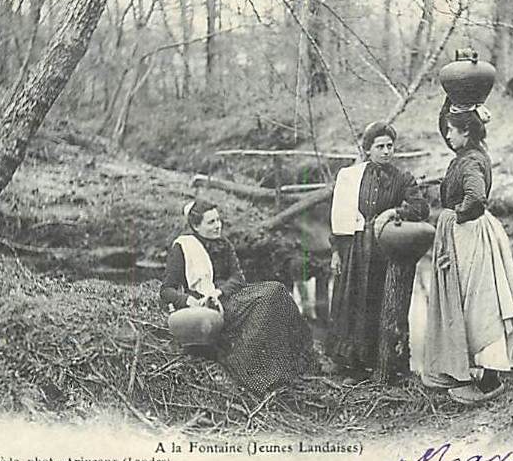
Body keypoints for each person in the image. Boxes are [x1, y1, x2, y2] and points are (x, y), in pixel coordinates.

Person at [422, 99, 513, 404]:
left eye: (451, 131)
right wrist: (449, 100)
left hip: (471, 235)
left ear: (465, 132)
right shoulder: (472, 151)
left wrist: (457, 215)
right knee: (473, 301)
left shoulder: (469, 162)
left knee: (480, 304)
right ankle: (470, 369)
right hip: (471, 232)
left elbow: (476, 197)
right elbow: (447, 127)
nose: (447, 136)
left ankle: (490, 380)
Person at [160, 199, 314, 395]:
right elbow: (166, 290)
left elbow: (237, 278)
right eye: (211, 222)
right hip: (204, 304)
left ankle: (284, 367)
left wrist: (218, 291)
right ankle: (246, 368)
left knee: (276, 291)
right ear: (196, 226)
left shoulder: (224, 244)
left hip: (225, 295)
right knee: (266, 301)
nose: (218, 226)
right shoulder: (183, 247)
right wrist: (187, 301)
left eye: (218, 220)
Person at [327, 121, 429, 377]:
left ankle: (377, 361)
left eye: (389, 146)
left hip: (381, 249)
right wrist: (336, 252)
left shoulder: (401, 178)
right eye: (380, 146)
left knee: (375, 303)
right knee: (350, 300)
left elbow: (420, 208)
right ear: (368, 150)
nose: (385, 151)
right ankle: (349, 363)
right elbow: (340, 215)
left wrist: (395, 211)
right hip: (354, 248)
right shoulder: (352, 177)